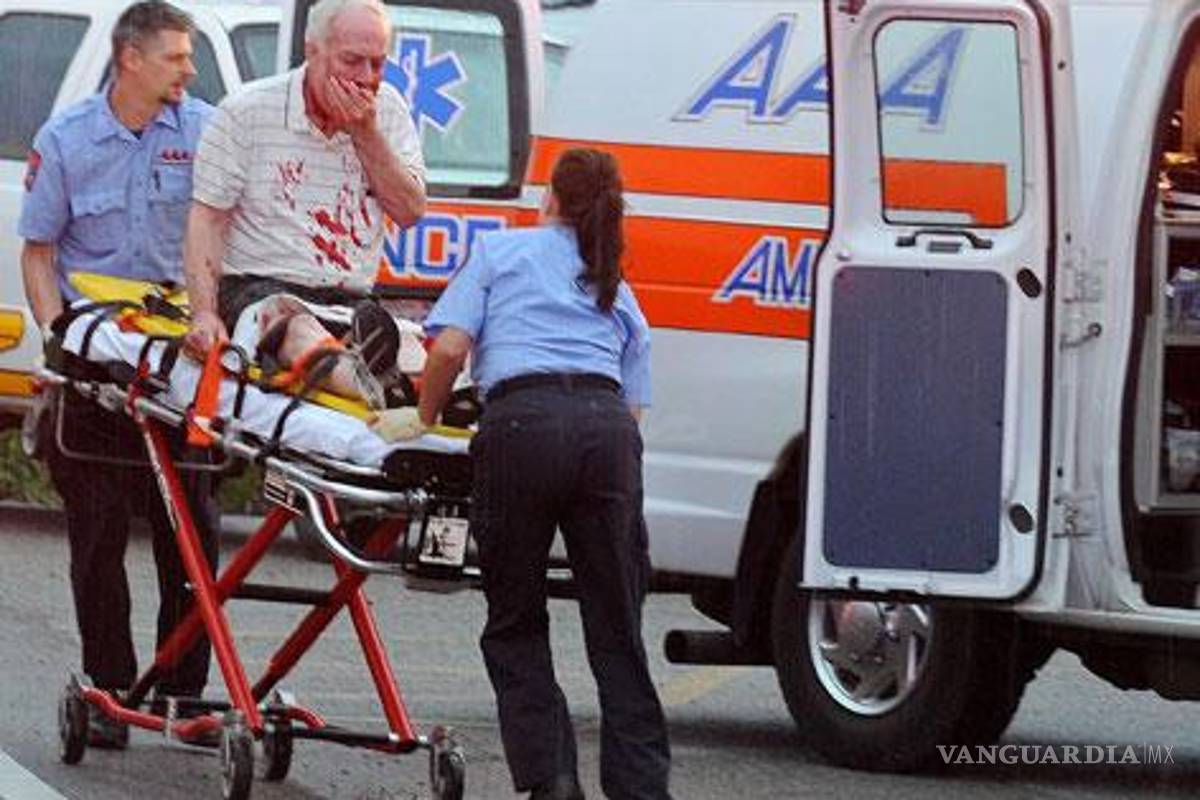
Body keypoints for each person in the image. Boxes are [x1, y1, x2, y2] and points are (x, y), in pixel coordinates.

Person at [392, 148, 672, 800]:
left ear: (550, 196)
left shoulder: (501, 253)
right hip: (607, 433)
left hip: (522, 427)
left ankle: (553, 780)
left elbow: (450, 348)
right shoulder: (615, 283)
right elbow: (632, 410)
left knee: (516, 616)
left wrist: (423, 415)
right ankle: (641, 788)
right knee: (617, 626)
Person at [17, 0, 220, 749]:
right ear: (131, 59)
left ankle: (184, 692)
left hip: (176, 368)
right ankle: (107, 689)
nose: (189, 71)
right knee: (98, 536)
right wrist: (58, 341)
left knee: (192, 533)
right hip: (95, 366)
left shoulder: (204, 135)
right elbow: (40, 252)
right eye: (176, 57)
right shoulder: (67, 139)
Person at [181, 0, 427, 404]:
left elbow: (409, 211)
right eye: (352, 61)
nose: (366, 78)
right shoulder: (246, 111)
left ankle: (421, 393)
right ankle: (370, 389)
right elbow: (206, 220)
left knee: (415, 351)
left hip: (349, 296)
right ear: (313, 51)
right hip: (260, 287)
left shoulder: (389, 110)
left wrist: (366, 134)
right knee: (296, 329)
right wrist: (204, 314)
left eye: (378, 64)